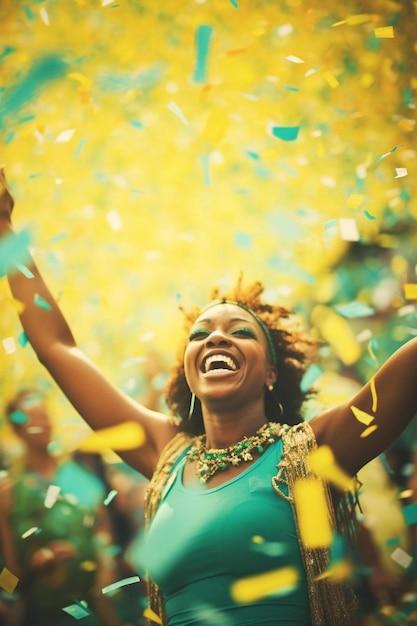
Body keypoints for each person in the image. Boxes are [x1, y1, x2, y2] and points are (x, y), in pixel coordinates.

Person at [1, 167, 417, 626]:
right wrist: (4, 228)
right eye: (202, 334)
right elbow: (57, 347)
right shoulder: (165, 455)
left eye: (240, 332)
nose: (217, 338)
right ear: (188, 371)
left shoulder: (314, 447)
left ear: (273, 373)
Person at [0, 388, 128, 626]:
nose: (44, 422)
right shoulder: (8, 491)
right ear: (17, 429)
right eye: (34, 416)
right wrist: (15, 584)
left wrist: (105, 569)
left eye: (45, 414)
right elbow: (9, 571)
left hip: (94, 609)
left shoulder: (78, 475)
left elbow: (104, 535)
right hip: (42, 614)